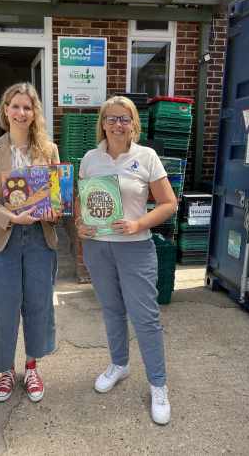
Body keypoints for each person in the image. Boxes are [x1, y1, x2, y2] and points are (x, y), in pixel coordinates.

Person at [74, 95, 177, 425]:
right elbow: (81, 198)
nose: (118, 125)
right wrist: (79, 222)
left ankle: (158, 386)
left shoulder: (146, 156)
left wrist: (137, 224)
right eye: (111, 118)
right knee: (112, 311)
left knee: (145, 318)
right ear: (102, 123)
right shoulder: (91, 158)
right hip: (97, 249)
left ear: (134, 123)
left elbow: (168, 203)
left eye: (125, 118)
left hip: (135, 248)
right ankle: (120, 364)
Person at [0, 82, 59, 403]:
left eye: (28, 107)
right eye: (15, 106)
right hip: (3, 238)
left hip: (39, 238)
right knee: (5, 308)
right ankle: (7, 370)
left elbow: (55, 199)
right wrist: (11, 217)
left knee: (38, 304)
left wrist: (51, 213)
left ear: (34, 113)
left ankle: (32, 367)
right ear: (5, 110)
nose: (21, 112)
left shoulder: (47, 150)